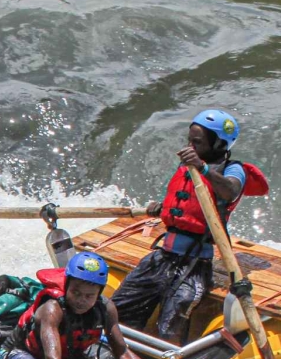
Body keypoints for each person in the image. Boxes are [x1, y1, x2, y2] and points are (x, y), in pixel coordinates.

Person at [111, 109, 270, 345]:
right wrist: (162, 207)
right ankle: (115, 350)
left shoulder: (231, 169)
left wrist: (203, 168)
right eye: (189, 140)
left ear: (219, 144)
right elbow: (184, 202)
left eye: (197, 142)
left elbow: (230, 191)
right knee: (118, 309)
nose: (190, 146)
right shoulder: (188, 165)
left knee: (170, 326)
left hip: (195, 264)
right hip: (163, 256)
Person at [0, 252, 170, 359]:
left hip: (63, 355)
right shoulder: (52, 310)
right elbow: (52, 358)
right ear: (66, 286)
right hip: (20, 352)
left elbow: (122, 352)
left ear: (99, 293)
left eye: (89, 296)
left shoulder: (106, 308)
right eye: (76, 293)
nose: (81, 300)